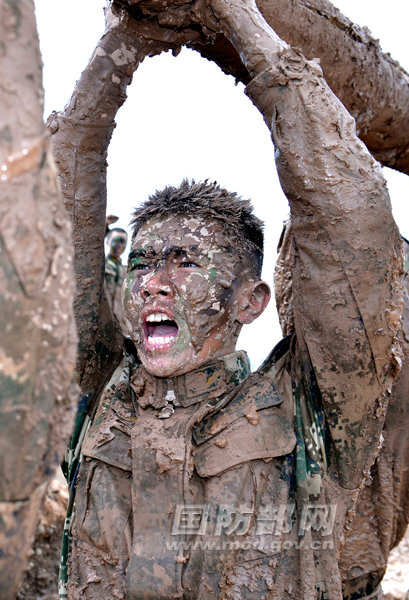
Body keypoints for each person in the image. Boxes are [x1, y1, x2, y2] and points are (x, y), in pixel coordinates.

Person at [61, 1, 404, 598]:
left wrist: (240, 17)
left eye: (185, 261)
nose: (154, 282)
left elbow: (348, 228)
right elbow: (58, 214)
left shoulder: (310, 411)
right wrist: (123, 45)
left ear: (251, 302)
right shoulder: (98, 394)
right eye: (142, 263)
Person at [276, 225, 409, 600]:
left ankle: (361, 581)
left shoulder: (394, 244)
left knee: (389, 483)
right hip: (345, 381)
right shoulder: (319, 226)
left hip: (396, 388)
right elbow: (296, 306)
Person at [105, 225, 129, 329]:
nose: (120, 245)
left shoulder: (127, 271)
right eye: (117, 240)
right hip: (100, 325)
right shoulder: (97, 266)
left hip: (121, 329)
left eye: (123, 242)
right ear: (107, 241)